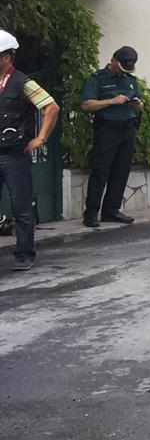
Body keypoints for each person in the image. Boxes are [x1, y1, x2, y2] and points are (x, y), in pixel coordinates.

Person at [0, 29, 60, 272]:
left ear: (6, 57)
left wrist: (41, 138)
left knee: (21, 205)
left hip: (14, 154)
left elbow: (52, 107)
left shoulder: (23, 83)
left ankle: (24, 253)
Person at [79, 45, 142, 227]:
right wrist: (111, 101)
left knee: (121, 171)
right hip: (107, 129)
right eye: (121, 68)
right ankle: (91, 214)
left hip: (128, 129)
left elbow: (138, 104)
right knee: (100, 171)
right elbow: (86, 105)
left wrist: (137, 105)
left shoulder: (130, 80)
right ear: (113, 61)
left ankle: (111, 211)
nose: (123, 73)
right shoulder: (98, 79)